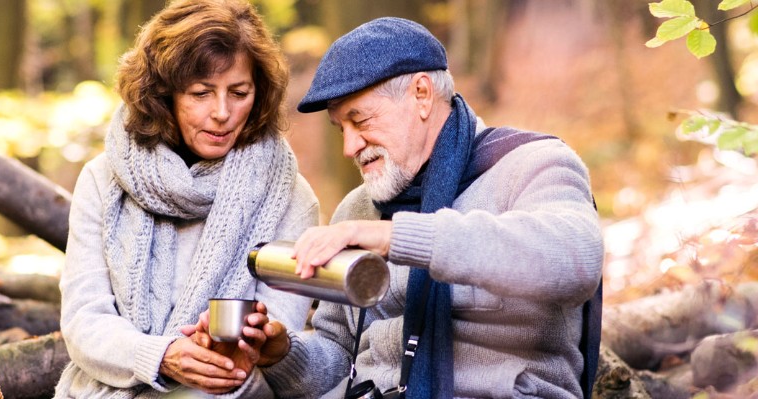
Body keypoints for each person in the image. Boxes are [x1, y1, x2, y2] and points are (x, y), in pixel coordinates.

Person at [190, 17, 604, 398]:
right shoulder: (359, 208)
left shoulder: (531, 164)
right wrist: (278, 352)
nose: (350, 147)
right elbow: (338, 362)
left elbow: (577, 260)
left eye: (361, 120)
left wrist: (396, 237)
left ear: (421, 95)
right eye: (341, 129)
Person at [53, 0, 319, 397]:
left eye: (239, 92)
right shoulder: (101, 179)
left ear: (258, 94)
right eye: (201, 93)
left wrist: (258, 343)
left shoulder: (291, 197)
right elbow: (84, 320)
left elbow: (282, 332)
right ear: (163, 94)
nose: (222, 113)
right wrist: (160, 355)